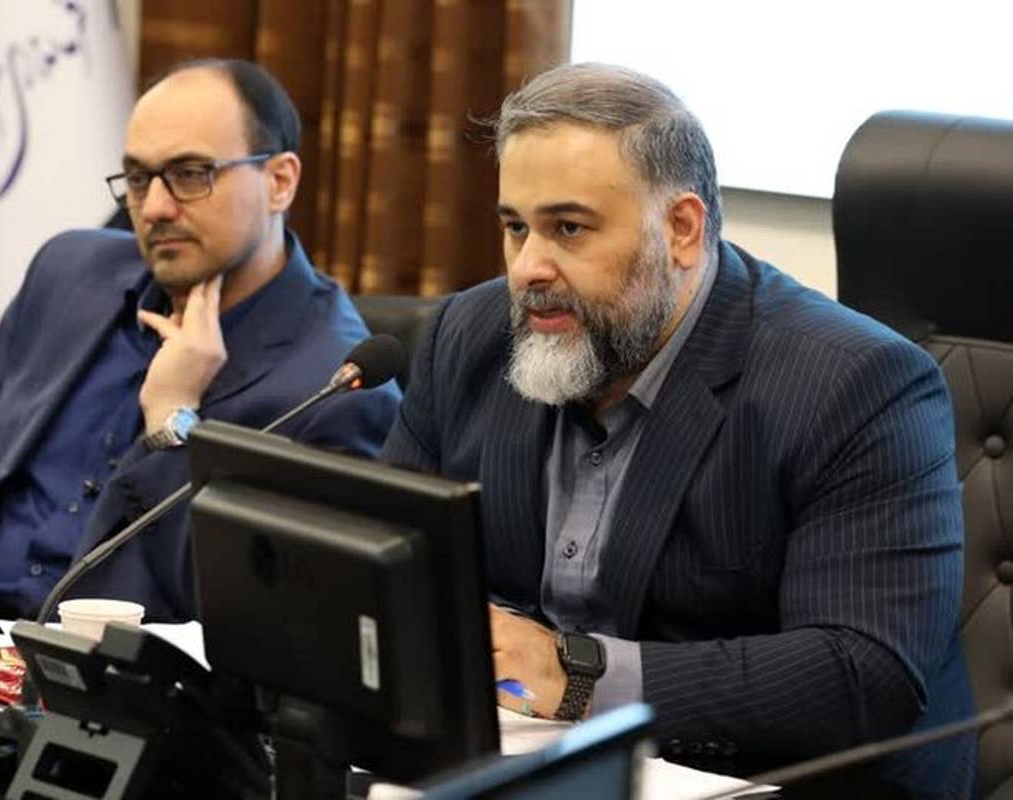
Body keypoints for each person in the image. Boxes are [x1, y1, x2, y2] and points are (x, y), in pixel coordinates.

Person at [382, 63, 973, 797]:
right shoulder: (467, 338)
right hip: (526, 762)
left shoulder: (854, 383)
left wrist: (573, 673)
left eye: (569, 228)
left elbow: (860, 675)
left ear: (682, 230)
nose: (528, 267)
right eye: (515, 227)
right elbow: (391, 560)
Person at [0, 58, 400, 634]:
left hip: (105, 671)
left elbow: (255, 613)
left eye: (191, 174)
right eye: (138, 178)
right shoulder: (68, 269)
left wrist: (173, 425)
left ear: (279, 181)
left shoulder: (336, 387)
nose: (153, 208)